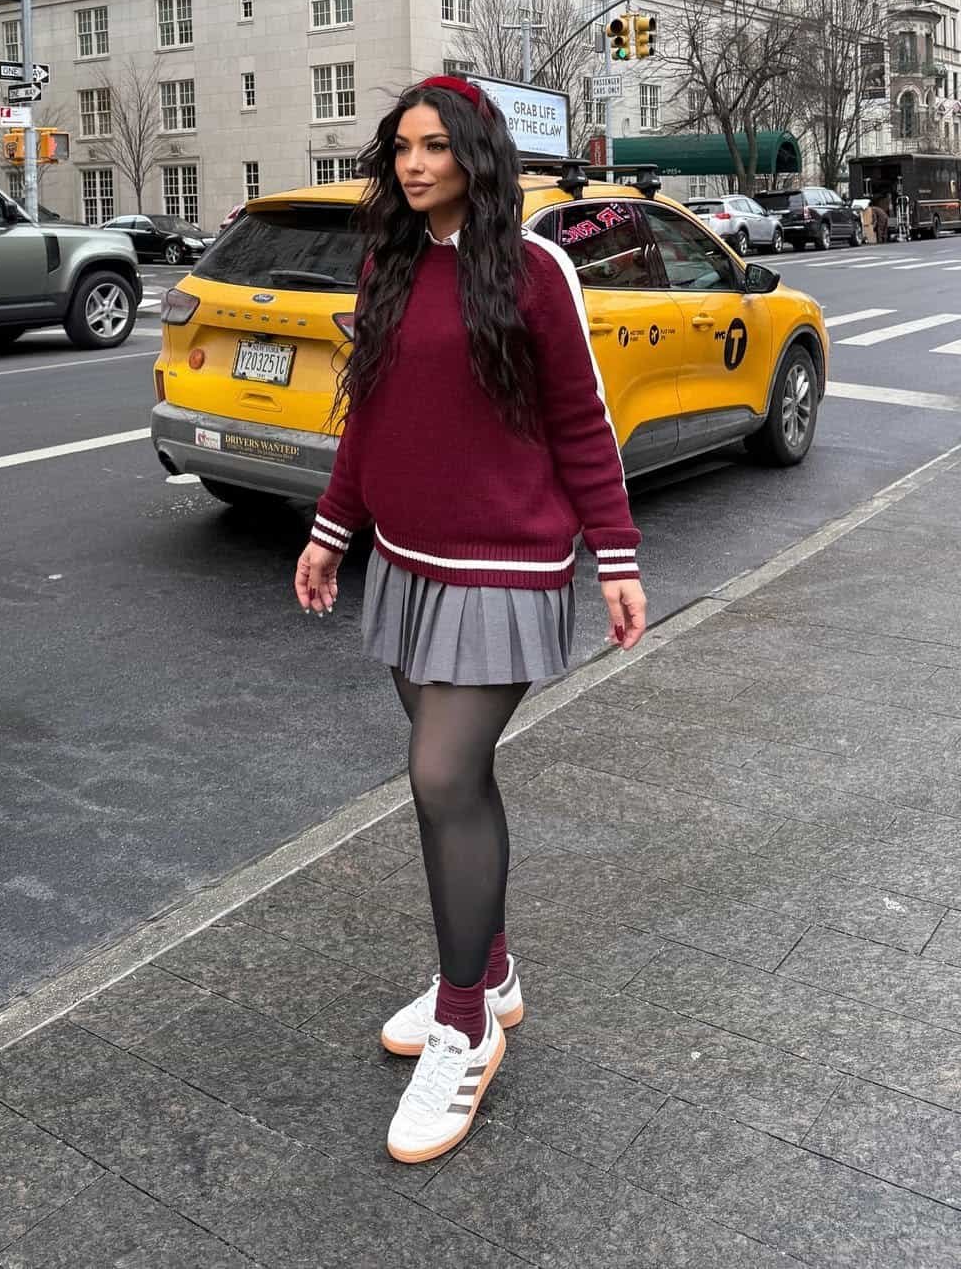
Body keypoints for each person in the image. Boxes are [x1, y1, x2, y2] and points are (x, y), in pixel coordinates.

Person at [293, 76, 647, 1165]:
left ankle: (465, 1021)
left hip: (506, 562)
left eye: (436, 147)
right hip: (407, 560)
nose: (413, 164)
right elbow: (372, 416)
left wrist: (616, 558)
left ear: (477, 156)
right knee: (460, 781)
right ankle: (489, 968)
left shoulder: (533, 270)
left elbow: (581, 419)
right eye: (401, 147)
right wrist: (331, 530)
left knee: (442, 775)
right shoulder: (388, 261)